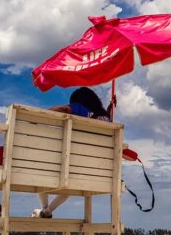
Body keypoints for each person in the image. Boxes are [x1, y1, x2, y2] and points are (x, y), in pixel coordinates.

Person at [32, 87, 112, 219]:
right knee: (71, 185)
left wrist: (42, 114)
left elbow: (63, 109)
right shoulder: (106, 117)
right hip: (95, 173)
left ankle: (44, 209)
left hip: (73, 168)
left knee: (43, 171)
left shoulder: (79, 108)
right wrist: (109, 109)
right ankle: (46, 212)